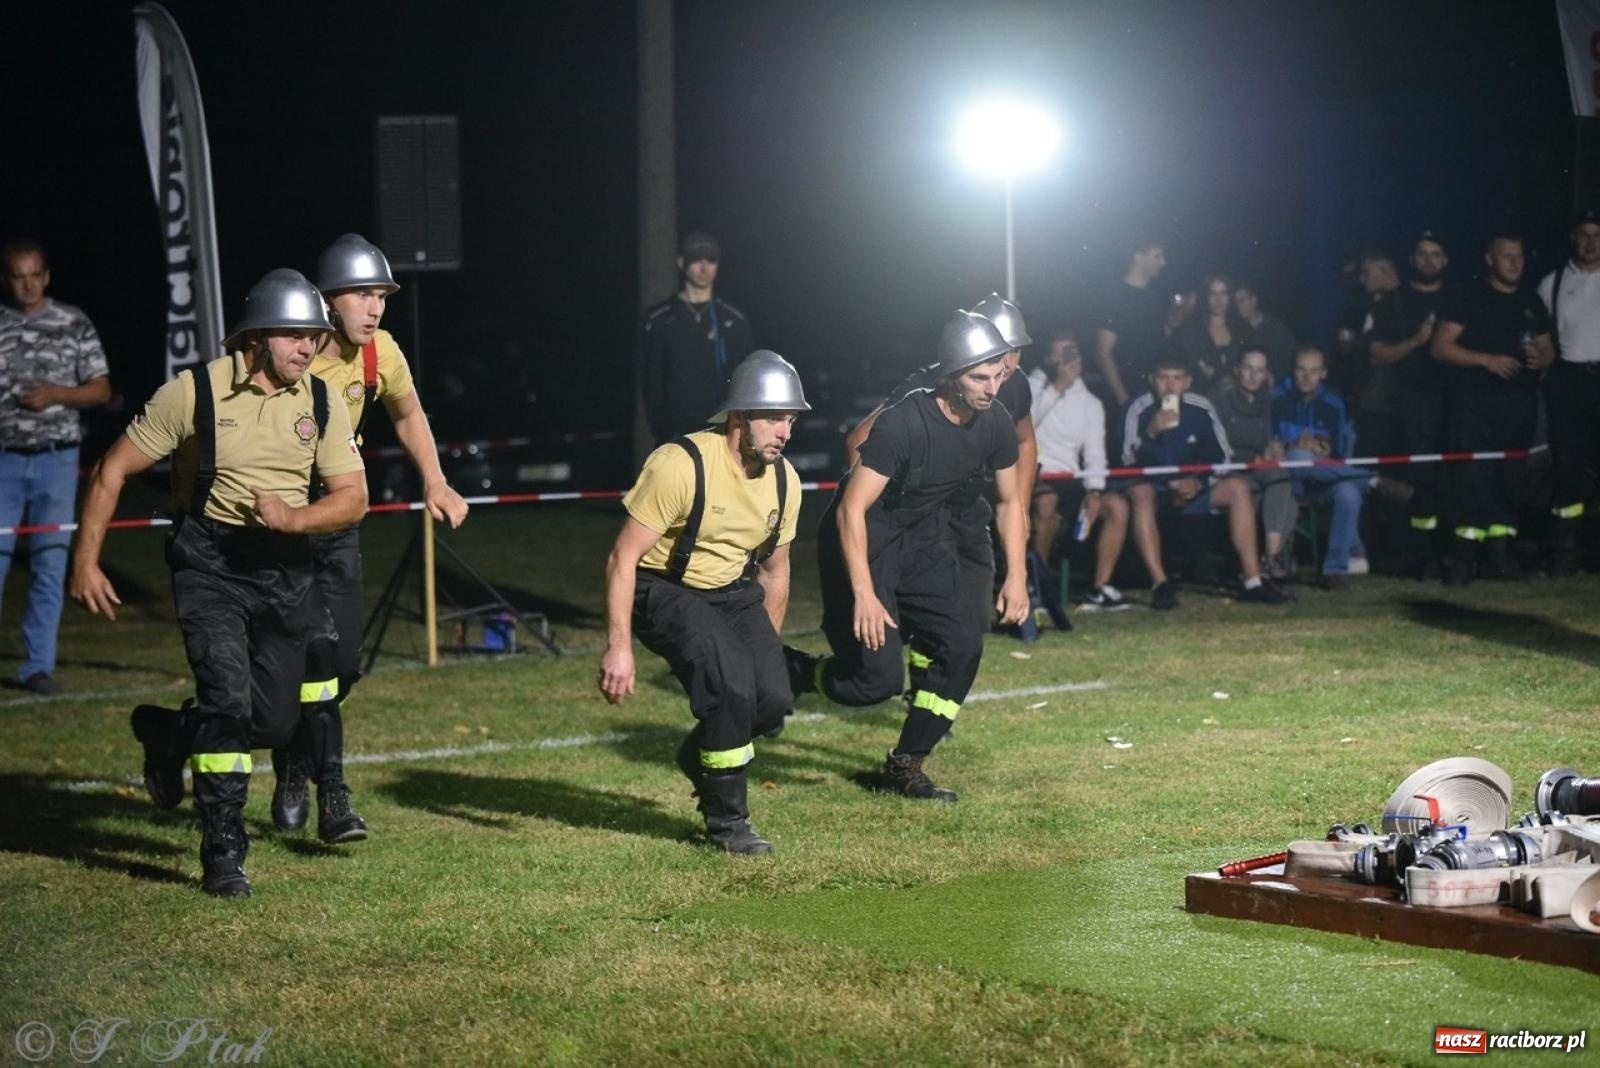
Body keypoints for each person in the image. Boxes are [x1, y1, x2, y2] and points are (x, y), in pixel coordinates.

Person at [70, 269, 367, 897]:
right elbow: (110, 470)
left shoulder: (320, 400)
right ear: (256, 337)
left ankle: (171, 731)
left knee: (278, 723)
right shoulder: (194, 393)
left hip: (285, 567)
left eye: (313, 336)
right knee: (228, 701)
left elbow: (353, 498)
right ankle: (224, 844)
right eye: (293, 336)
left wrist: (295, 518)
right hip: (210, 566)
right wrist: (86, 561)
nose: (308, 348)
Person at [265, 234, 470, 844]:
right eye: (361, 294)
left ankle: (300, 758)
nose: (374, 307)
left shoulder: (380, 353)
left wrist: (435, 480)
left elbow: (408, 413)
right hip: (278, 532)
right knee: (292, 671)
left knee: (344, 665)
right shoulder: (289, 351)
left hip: (337, 524)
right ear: (328, 300)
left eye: (381, 295)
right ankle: (321, 782)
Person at [790, 311, 1029, 802]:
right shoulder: (904, 423)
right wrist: (864, 594)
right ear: (950, 377)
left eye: (997, 375)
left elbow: (1009, 503)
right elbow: (850, 510)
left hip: (925, 539)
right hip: (866, 541)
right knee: (875, 683)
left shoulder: (997, 420)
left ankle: (905, 764)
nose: (991, 388)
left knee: (963, 646)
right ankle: (798, 671)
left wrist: (1017, 577)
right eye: (978, 377)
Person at [599, 350, 807, 855]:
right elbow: (622, 558)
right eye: (774, 418)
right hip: (664, 588)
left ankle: (702, 756)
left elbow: (775, 573)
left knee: (770, 698)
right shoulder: (681, 464)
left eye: (791, 419)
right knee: (728, 683)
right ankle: (728, 824)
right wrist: (619, 648)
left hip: (733, 595)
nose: (785, 431)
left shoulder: (786, 481)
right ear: (740, 416)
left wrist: (767, 657)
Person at [844, 293, 1041, 637]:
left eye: (1015, 351)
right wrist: (888, 507)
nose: (1007, 362)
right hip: (923, 515)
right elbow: (858, 442)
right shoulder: (931, 385)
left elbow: (1025, 440)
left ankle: (930, 662)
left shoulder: (1015, 385)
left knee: (976, 616)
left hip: (967, 507)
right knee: (922, 622)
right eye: (1000, 347)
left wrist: (1020, 504)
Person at [0, 239, 112, 694]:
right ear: (8, 280)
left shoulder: (73, 322)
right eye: (17, 276)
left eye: (34, 275)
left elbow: (102, 390)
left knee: (50, 564)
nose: (26, 284)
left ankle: (37, 665)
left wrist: (56, 395)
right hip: (5, 459)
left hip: (57, 459)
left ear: (46, 277)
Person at [1118, 354, 1291, 609]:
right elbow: (1127, 461)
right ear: (1152, 381)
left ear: (1187, 382)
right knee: (1141, 493)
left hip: (1193, 487)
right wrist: (1151, 433)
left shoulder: (1201, 407)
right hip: (1154, 487)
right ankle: (1161, 584)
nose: (1169, 385)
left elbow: (1222, 458)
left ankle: (1254, 580)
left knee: (1238, 487)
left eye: (1177, 379)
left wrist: (1198, 481)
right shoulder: (1138, 408)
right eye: (1163, 378)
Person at [1431, 231, 1554, 584]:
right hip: (1475, 407)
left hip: (1519, 407)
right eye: (1506, 256)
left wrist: (1539, 356)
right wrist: (1486, 360)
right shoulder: (1469, 297)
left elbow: (1549, 350)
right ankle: (1462, 561)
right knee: (1471, 481)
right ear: (1490, 259)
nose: (1515, 263)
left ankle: (1499, 558)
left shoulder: (1531, 302)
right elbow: (1440, 347)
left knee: (1510, 482)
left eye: (1519, 256)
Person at [1271, 345, 1403, 590]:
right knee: (1299, 455)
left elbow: (1340, 455)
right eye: (1301, 370)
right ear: (1293, 370)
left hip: (1322, 479)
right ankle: (1371, 479)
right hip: (1286, 482)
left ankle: (1334, 570)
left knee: (1349, 493)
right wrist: (1291, 444)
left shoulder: (1334, 404)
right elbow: (1267, 443)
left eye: (1314, 371)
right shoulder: (1276, 397)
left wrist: (1326, 450)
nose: (1307, 377)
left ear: (1324, 373)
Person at [1368, 231, 1452, 576]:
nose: (1429, 260)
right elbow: (1377, 353)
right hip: (1409, 403)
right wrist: (1416, 342)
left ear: (1445, 260)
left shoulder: (1457, 298)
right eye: (1422, 254)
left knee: (1451, 477)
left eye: (1436, 253)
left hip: (1454, 401)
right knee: (1416, 481)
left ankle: (1449, 551)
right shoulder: (1393, 301)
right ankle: (1417, 553)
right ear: (1412, 260)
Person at [1028, 329, 1129, 610]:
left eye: (1073, 351)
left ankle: (1100, 588)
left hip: (1071, 479)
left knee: (1116, 506)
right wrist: (1056, 387)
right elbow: (1024, 427)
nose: (1068, 358)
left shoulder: (1091, 403)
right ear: (1049, 356)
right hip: (1035, 475)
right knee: (1046, 502)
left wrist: (1095, 491)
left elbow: (1095, 453)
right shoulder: (1028, 388)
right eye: (1061, 351)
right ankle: (1037, 585)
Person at [641, 230, 754, 444]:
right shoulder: (658, 320)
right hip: (674, 437)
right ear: (682, 262)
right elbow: (651, 380)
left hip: (722, 434)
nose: (704, 267)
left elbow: (745, 377)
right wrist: (661, 427)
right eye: (696, 259)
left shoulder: (734, 319)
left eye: (711, 259)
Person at [1537, 209, 1600, 575]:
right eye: (1584, 235)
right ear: (1573, 239)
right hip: (1569, 380)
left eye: (1597, 235)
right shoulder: (1552, 283)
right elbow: (1543, 342)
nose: (1591, 242)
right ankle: (1565, 554)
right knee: (1568, 467)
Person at [1208, 344, 1294, 580]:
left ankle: (1269, 558)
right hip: (1227, 471)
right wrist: (1251, 458)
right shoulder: (1219, 398)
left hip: (1255, 469)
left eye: (1260, 370)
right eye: (1248, 368)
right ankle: (1265, 562)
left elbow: (1265, 437)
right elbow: (1214, 446)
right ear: (1237, 370)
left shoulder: (1264, 398)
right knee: (1277, 494)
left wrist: (1274, 447)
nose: (1254, 375)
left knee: (1282, 482)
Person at [1094, 238, 1179, 411]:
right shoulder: (1115, 297)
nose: (1163, 262)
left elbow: (1159, 345)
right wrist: (1124, 400)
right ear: (1138, 256)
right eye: (1157, 256)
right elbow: (1103, 353)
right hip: (1129, 393)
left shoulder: (1155, 297)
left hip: (1157, 393)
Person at [1174, 273, 1243, 388]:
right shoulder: (1190, 329)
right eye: (1213, 293)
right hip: (1198, 396)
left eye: (1223, 293)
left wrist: (1216, 373)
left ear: (1230, 297)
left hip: (1235, 399)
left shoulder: (1242, 330)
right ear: (1205, 297)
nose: (1218, 299)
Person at [1232, 281, 1298, 379]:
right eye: (1235, 302)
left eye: (1242, 300)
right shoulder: (1234, 331)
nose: (1238, 306)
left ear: (1254, 300)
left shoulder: (1277, 329)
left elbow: (1294, 362)